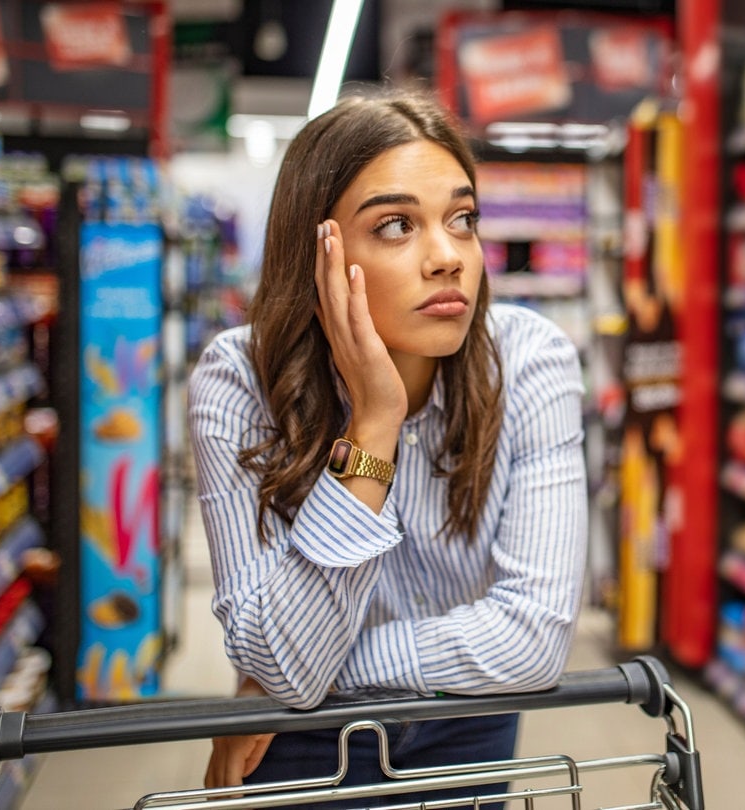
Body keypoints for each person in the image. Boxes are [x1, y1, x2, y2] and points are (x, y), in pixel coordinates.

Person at [187, 89, 587, 809]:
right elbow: (283, 663)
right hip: (300, 742)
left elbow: (531, 639)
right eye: (398, 225)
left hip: (464, 717)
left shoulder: (530, 362)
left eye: (461, 220)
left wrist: (310, 672)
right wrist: (373, 425)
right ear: (317, 251)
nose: (447, 258)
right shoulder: (239, 382)